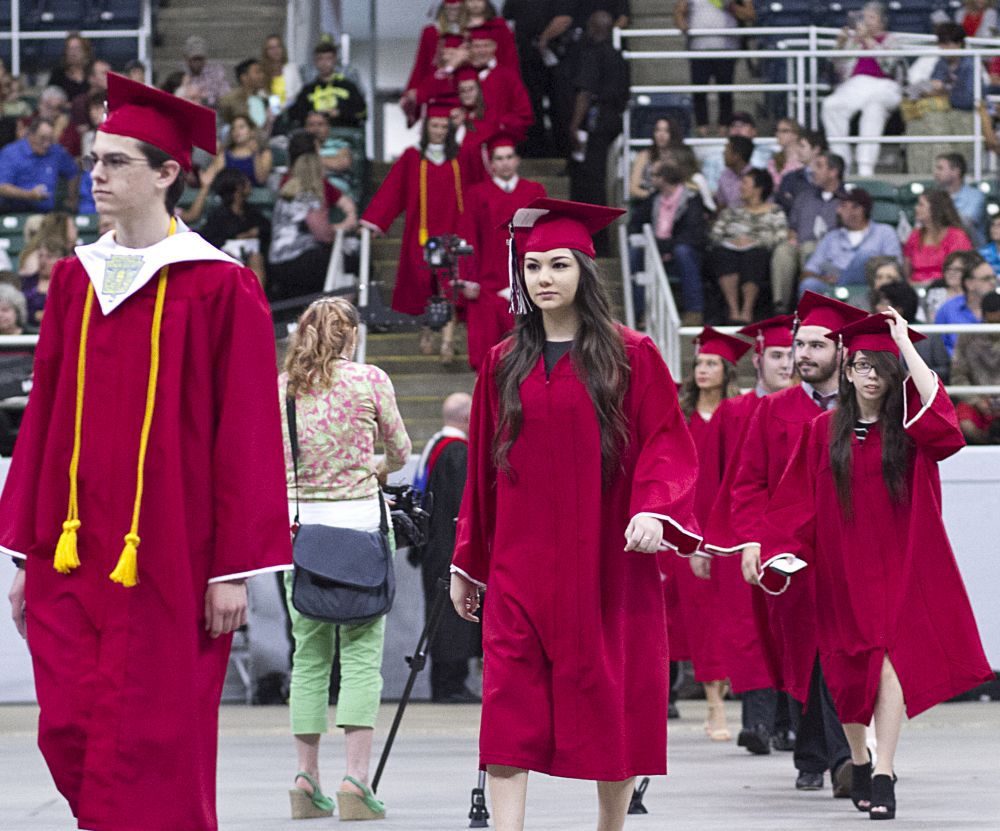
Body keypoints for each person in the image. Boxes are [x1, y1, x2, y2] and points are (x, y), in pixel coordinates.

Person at [0, 72, 290, 831]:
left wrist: (232, 569)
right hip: (74, 547)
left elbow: (250, 430)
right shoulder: (73, 281)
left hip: (172, 551)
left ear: (167, 173)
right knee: (66, 724)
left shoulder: (221, 287)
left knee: (161, 730)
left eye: (116, 161)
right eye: (94, 159)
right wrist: (26, 554)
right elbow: (45, 420)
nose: (95, 174)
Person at [449, 197, 701, 831]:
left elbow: (667, 444)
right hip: (519, 569)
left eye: (558, 265)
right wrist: (467, 562)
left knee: (608, 703)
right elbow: (483, 471)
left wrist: (654, 510)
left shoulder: (631, 355)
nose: (543, 279)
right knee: (508, 708)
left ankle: (609, 827)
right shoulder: (502, 362)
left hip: (607, 567)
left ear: (585, 272)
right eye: (532, 267)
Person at [752, 309, 992, 820]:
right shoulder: (821, 431)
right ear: (847, 369)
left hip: (898, 563)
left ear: (891, 376)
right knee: (845, 671)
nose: (866, 376)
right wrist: (776, 552)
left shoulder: (910, 431)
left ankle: (883, 772)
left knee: (887, 662)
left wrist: (904, 344)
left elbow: (944, 420)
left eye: (876, 368)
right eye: (858, 365)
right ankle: (858, 759)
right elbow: (794, 503)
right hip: (840, 568)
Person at [280, 297, 411, 821]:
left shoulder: (283, 388)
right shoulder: (369, 380)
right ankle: (355, 781)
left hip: (300, 533)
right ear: (350, 335)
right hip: (361, 528)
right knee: (360, 660)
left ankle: (304, 778)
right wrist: (376, 468)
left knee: (308, 658)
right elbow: (400, 450)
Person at [728, 292, 865, 794]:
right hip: (791, 553)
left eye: (815, 344)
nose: (802, 354)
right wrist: (753, 541)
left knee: (840, 652)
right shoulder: (772, 412)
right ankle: (822, 754)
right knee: (805, 655)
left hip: (850, 550)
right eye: (798, 344)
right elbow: (748, 484)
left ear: (842, 352)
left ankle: (841, 759)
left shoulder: (862, 408)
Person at [698, 315, 797, 754]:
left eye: (793, 355)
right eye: (777, 355)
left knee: (791, 633)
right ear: (758, 358)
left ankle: (792, 726)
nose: (787, 364)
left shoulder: (810, 411)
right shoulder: (734, 412)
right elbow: (710, 481)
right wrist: (702, 541)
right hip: (741, 537)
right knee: (748, 632)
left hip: (793, 537)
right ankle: (757, 723)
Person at [677, 327, 750, 743]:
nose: (703, 370)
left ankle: (732, 696)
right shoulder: (680, 415)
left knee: (733, 617)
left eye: (711, 364)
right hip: (690, 525)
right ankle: (713, 705)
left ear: (727, 370)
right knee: (702, 618)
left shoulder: (740, 413)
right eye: (699, 364)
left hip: (731, 527)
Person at [361, 100, 468, 348]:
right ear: (426, 127)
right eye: (435, 125)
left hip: (454, 231)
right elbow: (392, 191)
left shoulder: (461, 158)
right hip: (422, 234)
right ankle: (427, 331)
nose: (440, 130)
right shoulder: (412, 157)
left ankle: (448, 339)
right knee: (425, 286)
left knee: (449, 285)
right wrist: (374, 222)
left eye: (444, 126)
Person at [411, 392, 480, 702]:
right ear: (468, 418)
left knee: (440, 616)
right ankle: (450, 685)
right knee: (454, 616)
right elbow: (464, 506)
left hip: (433, 547)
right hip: (450, 548)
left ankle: (445, 682)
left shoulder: (435, 447)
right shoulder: (457, 453)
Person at [459, 133, 546, 371]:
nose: (505, 162)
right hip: (489, 284)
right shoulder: (477, 194)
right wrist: (468, 277)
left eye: (509, 157)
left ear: (517, 160)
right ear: (492, 163)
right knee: (487, 358)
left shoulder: (534, 191)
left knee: (533, 352)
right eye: (499, 158)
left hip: (527, 282)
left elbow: (544, 234)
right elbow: (469, 237)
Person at [268, 132, 357, 301]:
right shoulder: (309, 196)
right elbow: (324, 235)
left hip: (277, 260)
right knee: (352, 261)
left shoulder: (287, 190)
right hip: (296, 261)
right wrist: (344, 226)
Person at [567, 10, 629, 245]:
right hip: (612, 122)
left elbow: (585, 92)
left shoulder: (591, 55)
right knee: (599, 178)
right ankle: (599, 237)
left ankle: (594, 237)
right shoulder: (618, 56)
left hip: (594, 122)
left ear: (592, 29)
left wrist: (574, 125)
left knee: (589, 180)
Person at [821, 2, 903, 175]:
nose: (866, 21)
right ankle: (841, 164)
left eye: (871, 17)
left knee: (874, 108)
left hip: (884, 86)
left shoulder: (891, 40)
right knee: (831, 105)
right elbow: (838, 69)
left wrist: (868, 40)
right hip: (856, 85)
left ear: (882, 21)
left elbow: (888, 66)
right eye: (864, 17)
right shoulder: (854, 41)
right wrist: (840, 46)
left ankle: (865, 167)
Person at [709, 168, 788, 324]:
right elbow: (715, 234)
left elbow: (781, 235)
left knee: (753, 256)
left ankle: (747, 310)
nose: (740, 187)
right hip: (729, 249)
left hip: (759, 251)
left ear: (758, 188)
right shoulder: (732, 211)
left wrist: (755, 242)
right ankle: (733, 310)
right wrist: (732, 241)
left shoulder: (775, 211)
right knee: (723, 255)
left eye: (745, 183)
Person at [770, 152, 845, 313]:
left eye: (819, 166)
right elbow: (792, 228)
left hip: (830, 253)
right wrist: (792, 239)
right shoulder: (804, 197)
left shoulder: (847, 200)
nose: (813, 171)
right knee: (783, 251)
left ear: (833, 172)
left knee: (810, 248)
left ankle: (808, 308)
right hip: (799, 244)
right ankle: (780, 308)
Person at [906, 24, 980, 176]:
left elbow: (968, 100)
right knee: (915, 120)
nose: (943, 48)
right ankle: (919, 174)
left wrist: (944, 93)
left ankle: (942, 175)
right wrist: (927, 90)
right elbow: (934, 83)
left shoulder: (970, 64)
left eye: (947, 44)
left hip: (964, 115)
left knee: (934, 121)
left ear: (959, 44)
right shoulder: (942, 62)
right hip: (944, 111)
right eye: (941, 44)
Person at [800, 187, 902, 294]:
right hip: (833, 287)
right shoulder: (831, 237)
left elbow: (895, 266)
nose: (838, 210)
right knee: (809, 284)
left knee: (865, 257)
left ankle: (843, 286)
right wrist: (823, 279)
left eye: (843, 206)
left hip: (871, 287)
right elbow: (808, 272)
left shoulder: (884, 232)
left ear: (859, 210)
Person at [673, 0, 756, 132]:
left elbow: (750, 14)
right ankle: (702, 128)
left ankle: (724, 127)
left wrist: (731, 6)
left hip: (726, 49)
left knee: (725, 91)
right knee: (699, 91)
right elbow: (679, 12)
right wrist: (683, 26)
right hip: (698, 49)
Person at [647, 160, 709, 324]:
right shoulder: (653, 198)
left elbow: (692, 234)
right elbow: (636, 223)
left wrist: (664, 246)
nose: (650, 179)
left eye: (654, 175)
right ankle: (642, 312)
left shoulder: (692, 199)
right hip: (658, 247)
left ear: (664, 178)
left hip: (685, 249)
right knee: (635, 252)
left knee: (683, 252)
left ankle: (694, 311)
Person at [201, 167, 271, 284]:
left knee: (256, 258)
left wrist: (255, 232)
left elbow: (266, 228)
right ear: (238, 187)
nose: (250, 185)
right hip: (228, 260)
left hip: (252, 258)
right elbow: (210, 240)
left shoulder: (251, 212)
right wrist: (237, 238)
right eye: (246, 182)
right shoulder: (218, 216)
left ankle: (256, 299)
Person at [0, 117, 79, 213]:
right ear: (31, 135)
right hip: (15, 212)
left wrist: (72, 199)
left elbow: (73, 172)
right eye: (42, 138)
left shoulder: (56, 151)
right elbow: (2, 187)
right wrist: (29, 195)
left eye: (50, 139)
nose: (47, 144)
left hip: (47, 213)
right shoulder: (10, 153)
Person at [951, 291, 1000, 443]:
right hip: (976, 401)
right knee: (966, 425)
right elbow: (958, 376)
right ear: (983, 316)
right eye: (992, 323)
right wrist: (977, 400)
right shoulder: (967, 337)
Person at [287, 40, 367, 130]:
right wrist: (313, 115)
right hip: (313, 136)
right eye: (320, 59)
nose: (324, 63)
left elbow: (362, 112)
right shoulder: (307, 90)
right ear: (315, 61)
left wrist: (339, 113)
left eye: (328, 58)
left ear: (335, 60)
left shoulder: (349, 87)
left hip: (343, 134)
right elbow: (294, 114)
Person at [903, 190, 974, 285]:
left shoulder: (957, 236)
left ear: (935, 208)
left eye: (921, 205)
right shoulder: (914, 235)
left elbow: (961, 272)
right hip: (915, 290)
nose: (916, 208)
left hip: (947, 289)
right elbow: (906, 273)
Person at [934, 252, 997, 354]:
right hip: (955, 367)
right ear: (969, 283)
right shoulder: (947, 309)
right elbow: (938, 346)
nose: (993, 283)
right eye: (986, 279)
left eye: (994, 277)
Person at [204, 114, 273, 188]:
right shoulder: (223, 155)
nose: (237, 131)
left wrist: (256, 154)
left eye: (241, 127)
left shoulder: (265, 154)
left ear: (251, 131)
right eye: (233, 128)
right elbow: (216, 181)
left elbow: (261, 180)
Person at [932, 152, 986, 245]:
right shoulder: (934, 196)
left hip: (971, 253)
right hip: (941, 250)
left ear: (956, 172)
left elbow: (965, 224)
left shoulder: (976, 196)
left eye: (940, 168)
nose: (935, 172)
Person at [628, 116, 685, 203]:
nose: (661, 134)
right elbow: (633, 187)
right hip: (647, 201)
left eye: (666, 131)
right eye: (658, 130)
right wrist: (654, 198)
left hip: (674, 203)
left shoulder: (679, 157)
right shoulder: (644, 156)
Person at [774, 129, 828, 213]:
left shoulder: (829, 176)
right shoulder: (789, 178)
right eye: (798, 146)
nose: (798, 150)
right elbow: (782, 203)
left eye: (802, 146)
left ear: (816, 149)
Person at [20, 237, 66, 327]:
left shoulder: (68, 284)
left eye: (49, 256)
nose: (43, 261)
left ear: (61, 259)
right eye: (40, 256)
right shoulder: (27, 282)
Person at [178, 35, 231, 108]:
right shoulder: (180, 76)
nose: (198, 63)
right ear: (187, 59)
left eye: (200, 59)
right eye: (195, 59)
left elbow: (226, 96)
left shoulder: (216, 75)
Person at [218, 58, 271, 131]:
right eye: (257, 72)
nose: (262, 76)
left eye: (262, 72)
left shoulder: (266, 98)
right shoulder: (228, 101)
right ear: (244, 77)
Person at [922, 248, 974, 321]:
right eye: (948, 269)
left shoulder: (973, 294)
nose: (951, 273)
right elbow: (933, 323)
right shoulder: (936, 294)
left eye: (957, 269)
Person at [262, 33, 303, 109]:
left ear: (283, 49)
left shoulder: (292, 69)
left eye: (278, 46)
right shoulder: (263, 73)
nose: (275, 51)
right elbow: (264, 96)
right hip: (272, 113)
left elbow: (298, 92)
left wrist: (283, 108)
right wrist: (276, 110)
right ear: (266, 52)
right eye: (271, 48)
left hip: (292, 110)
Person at [713, 134, 753, 211]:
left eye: (727, 150)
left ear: (736, 156)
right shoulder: (724, 176)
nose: (723, 153)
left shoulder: (756, 176)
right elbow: (721, 206)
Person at [47, 34, 92, 101]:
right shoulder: (58, 74)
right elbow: (50, 96)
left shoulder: (92, 72)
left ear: (85, 51)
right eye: (70, 49)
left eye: (77, 48)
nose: (73, 53)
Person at [767, 118, 804, 187]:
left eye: (784, 131)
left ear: (795, 134)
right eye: (777, 131)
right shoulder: (773, 160)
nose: (778, 134)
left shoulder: (804, 160)